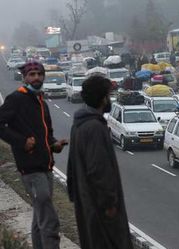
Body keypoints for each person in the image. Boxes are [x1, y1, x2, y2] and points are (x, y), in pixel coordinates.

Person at [0, 61, 68, 249]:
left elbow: (47, 134)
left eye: (39, 74)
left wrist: (54, 145)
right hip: (30, 169)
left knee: (40, 217)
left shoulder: (41, 103)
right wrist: (22, 142)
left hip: (46, 166)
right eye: (32, 74)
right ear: (24, 77)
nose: (36, 77)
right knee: (49, 219)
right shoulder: (16, 99)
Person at [67, 75, 133, 249]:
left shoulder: (79, 124)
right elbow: (99, 169)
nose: (109, 99)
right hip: (101, 209)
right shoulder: (94, 127)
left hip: (87, 203)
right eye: (108, 95)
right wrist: (109, 203)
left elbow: (72, 167)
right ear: (102, 98)